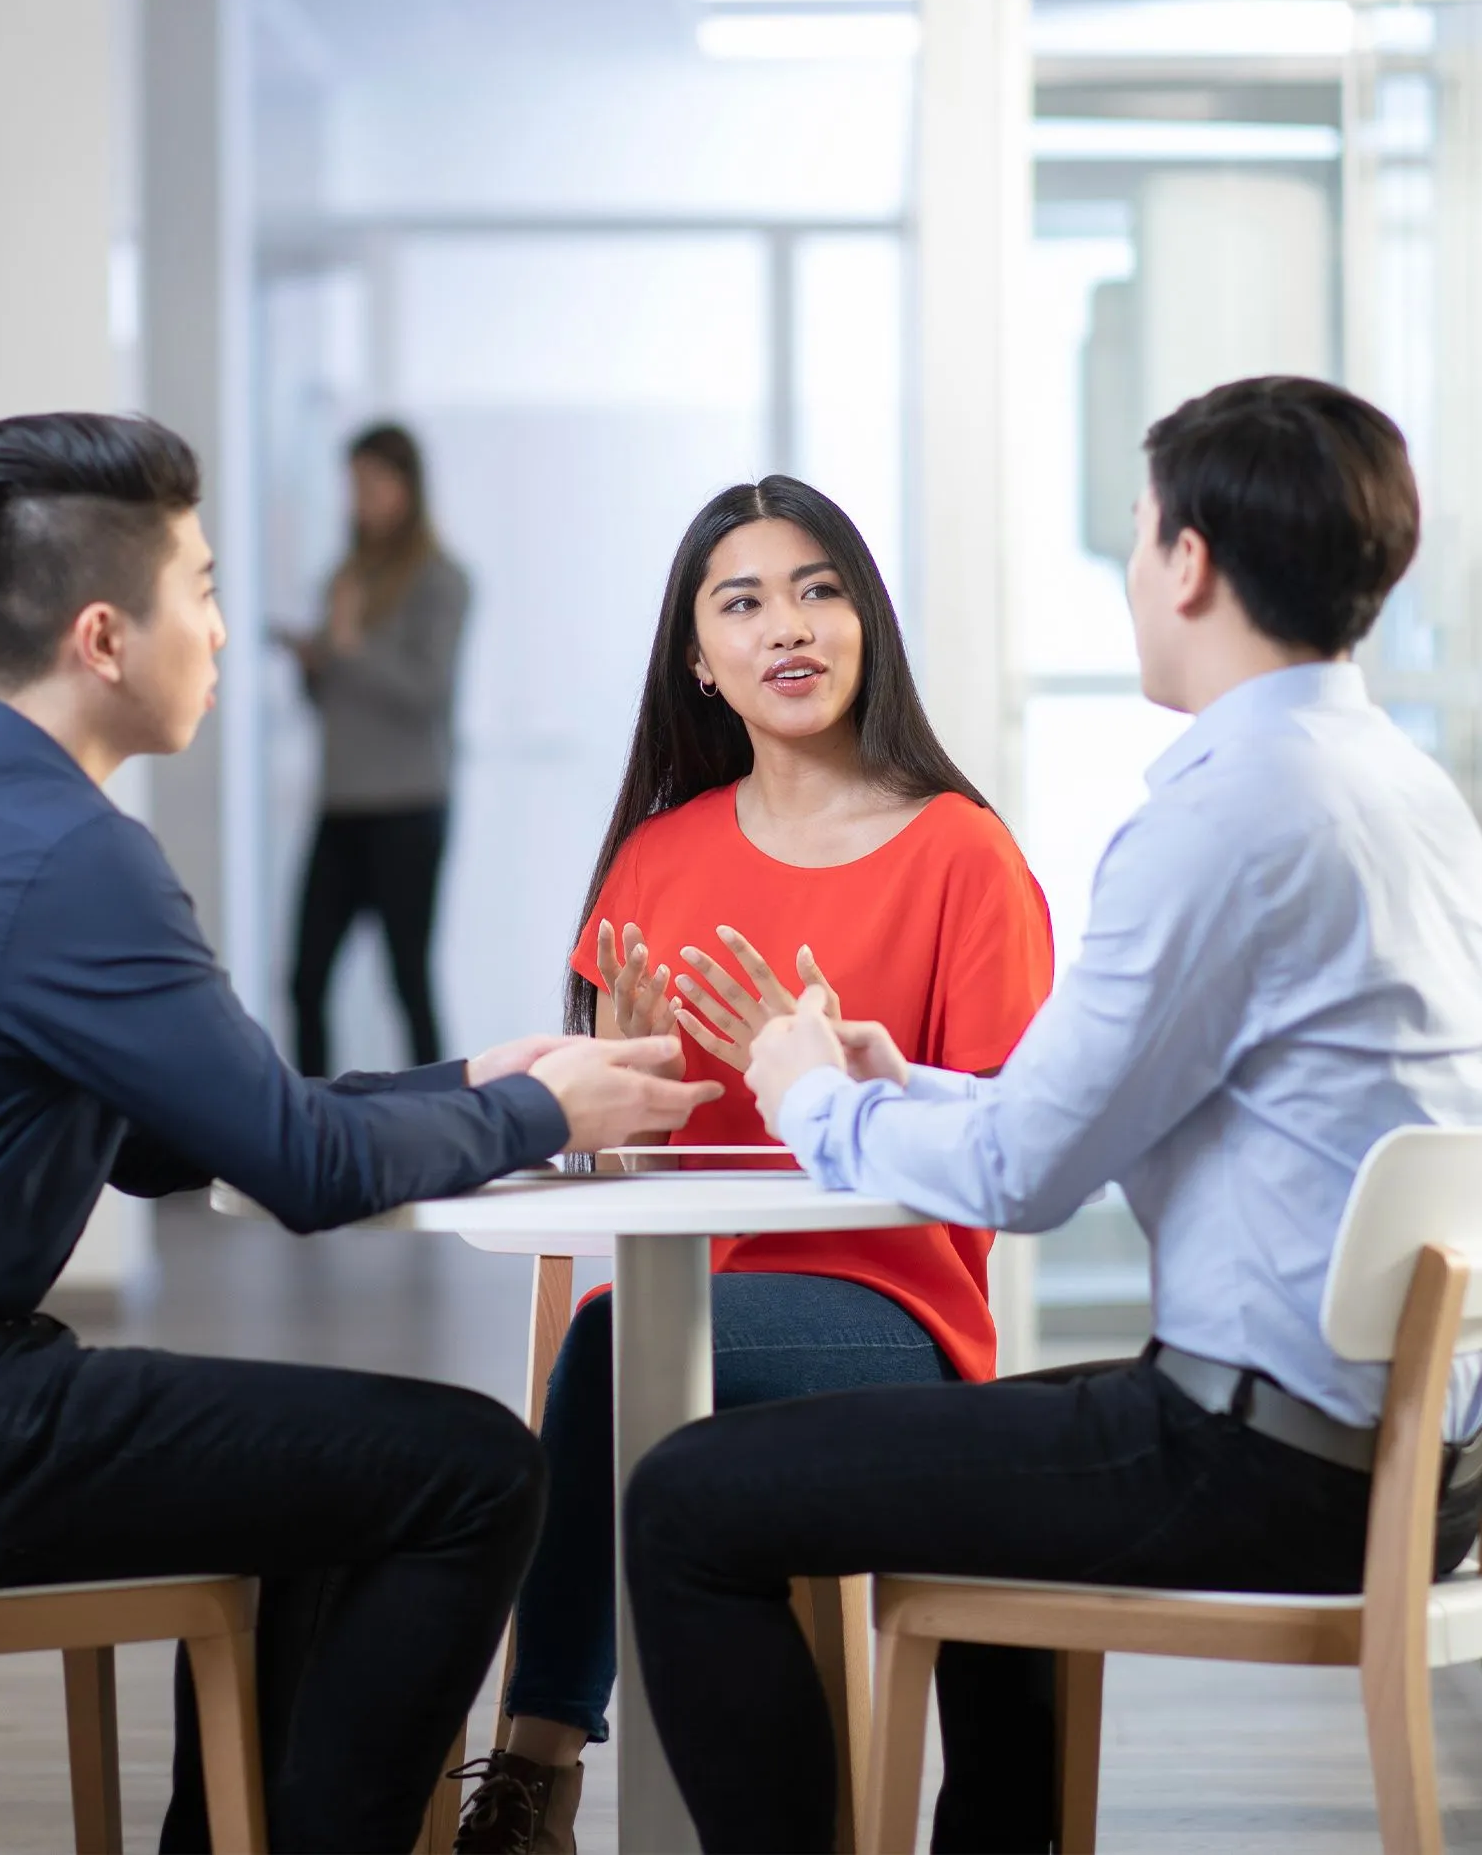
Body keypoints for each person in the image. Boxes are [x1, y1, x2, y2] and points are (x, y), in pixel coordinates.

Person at [0, 411, 720, 1855]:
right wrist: (548, 1108)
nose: (230, 634)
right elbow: (300, 1173)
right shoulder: (71, 857)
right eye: (206, 590)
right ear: (107, 637)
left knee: (324, 1475)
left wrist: (473, 1077)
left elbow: (186, 1140)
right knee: (473, 1469)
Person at [621, 376, 1482, 1853]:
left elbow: (1024, 1179)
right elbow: (1097, 1108)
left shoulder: (1221, 814)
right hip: (1422, 1451)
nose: (1135, 574)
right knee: (979, 1466)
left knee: (690, 1500)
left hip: (1268, 1461)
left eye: (1141, 540)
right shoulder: (1398, 788)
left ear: (1194, 563)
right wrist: (899, 1084)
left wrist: (809, 1091)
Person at [451, 477, 1053, 1852]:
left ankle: (534, 1771)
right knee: (620, 1342)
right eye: (744, 601)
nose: (788, 626)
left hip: (897, 1311)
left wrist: (841, 1082)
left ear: (865, 624)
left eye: (819, 589)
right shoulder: (655, 860)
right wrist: (630, 1099)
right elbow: (597, 1167)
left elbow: (1015, 1141)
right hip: (693, 1289)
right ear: (697, 660)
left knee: (612, 1351)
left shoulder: (964, 856)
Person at [280, 422, 467, 1075]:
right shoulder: (346, 576)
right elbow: (328, 700)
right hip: (341, 804)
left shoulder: (441, 580)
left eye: (371, 482)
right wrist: (314, 662)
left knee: (407, 981)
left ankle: (443, 1117)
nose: (358, 497)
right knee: (303, 981)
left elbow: (426, 692)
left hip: (409, 807)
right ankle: (309, 1122)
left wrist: (352, 644)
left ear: (406, 488)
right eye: (352, 484)